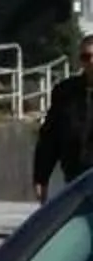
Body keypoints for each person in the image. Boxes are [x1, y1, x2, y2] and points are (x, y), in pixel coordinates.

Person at [34, 32, 93, 202]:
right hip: (75, 181)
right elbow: (49, 138)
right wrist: (41, 178)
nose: (91, 62)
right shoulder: (65, 92)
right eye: (86, 57)